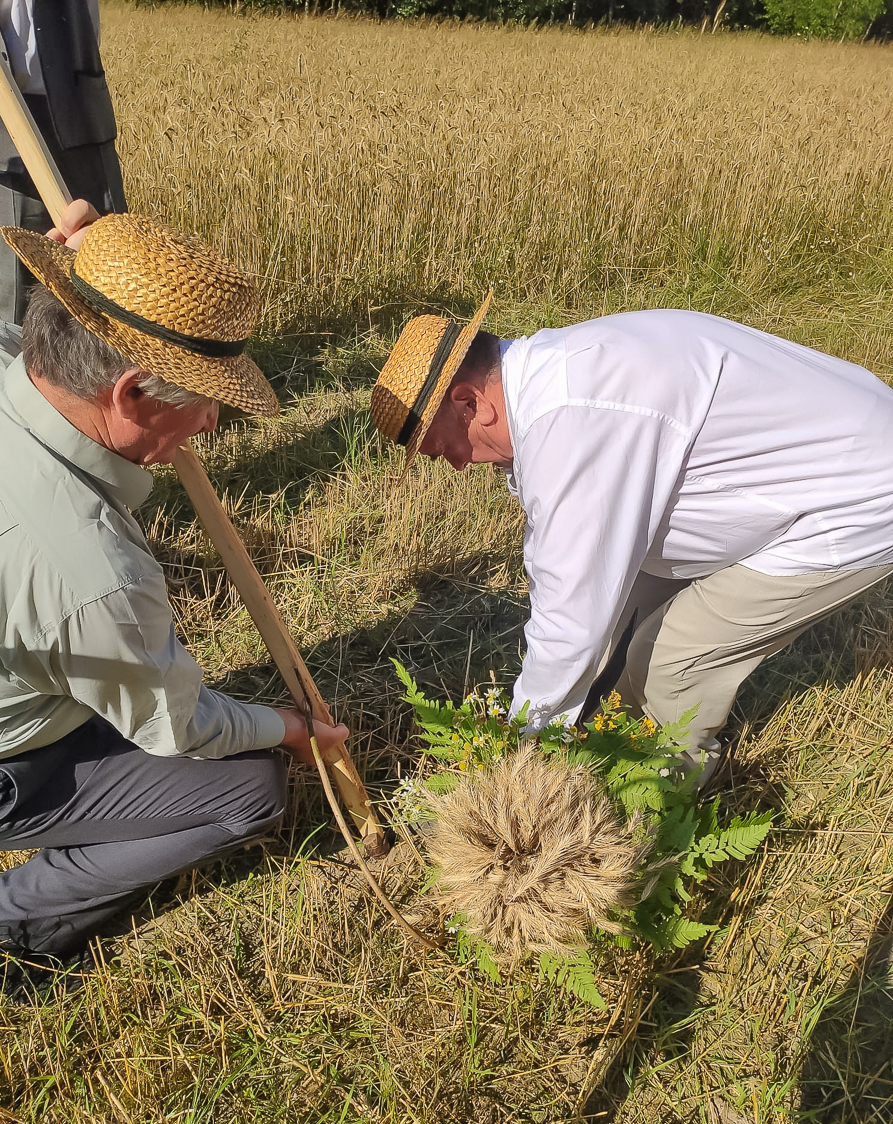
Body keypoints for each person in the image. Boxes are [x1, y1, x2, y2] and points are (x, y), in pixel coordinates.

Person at [0, 201, 347, 994]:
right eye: (202, 394)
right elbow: (180, 726)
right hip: (10, 758)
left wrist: (83, 277)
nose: (215, 419)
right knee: (246, 789)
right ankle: (17, 923)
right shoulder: (91, 575)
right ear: (128, 394)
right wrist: (293, 729)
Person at [370, 297, 893, 781]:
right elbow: (593, 591)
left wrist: (520, 748)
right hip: (836, 442)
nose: (460, 465)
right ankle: (611, 746)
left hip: (858, 496)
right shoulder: (557, 369)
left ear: (470, 403)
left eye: (446, 449)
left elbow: (570, 615)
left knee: (669, 662)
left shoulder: (573, 427)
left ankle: (657, 805)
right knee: (618, 633)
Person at [0, 0, 127, 324]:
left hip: (85, 106)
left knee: (105, 269)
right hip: (11, 114)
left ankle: (102, 368)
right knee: (20, 283)